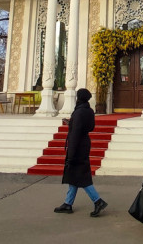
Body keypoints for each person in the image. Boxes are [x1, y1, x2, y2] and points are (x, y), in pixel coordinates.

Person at [54, 88, 108, 217]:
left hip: (77, 147)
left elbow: (75, 135)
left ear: (79, 98)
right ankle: (68, 203)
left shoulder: (79, 112)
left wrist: (71, 155)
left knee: (82, 176)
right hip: (85, 143)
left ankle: (98, 201)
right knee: (75, 175)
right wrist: (71, 123)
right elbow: (90, 127)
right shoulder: (89, 110)